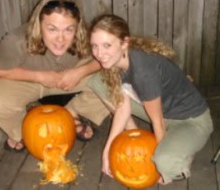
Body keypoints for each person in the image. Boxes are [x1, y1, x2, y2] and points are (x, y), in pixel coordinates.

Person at [87, 14, 213, 185]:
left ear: (124, 43)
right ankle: (134, 131)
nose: (99, 54)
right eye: (95, 46)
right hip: (163, 111)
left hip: (190, 121)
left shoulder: (143, 72)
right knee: (97, 81)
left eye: (107, 45)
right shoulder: (117, 62)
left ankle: (184, 151)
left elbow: (158, 122)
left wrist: (161, 169)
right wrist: (106, 152)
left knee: (165, 162)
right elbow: (122, 108)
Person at [0, 0, 109, 152]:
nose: (60, 39)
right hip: (26, 79)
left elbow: (112, 56)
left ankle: (72, 113)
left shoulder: (87, 35)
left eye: (69, 29)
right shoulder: (16, 41)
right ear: (38, 25)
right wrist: (39, 76)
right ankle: (23, 131)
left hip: (68, 76)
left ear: (78, 27)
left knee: (115, 77)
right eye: (52, 29)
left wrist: (81, 72)